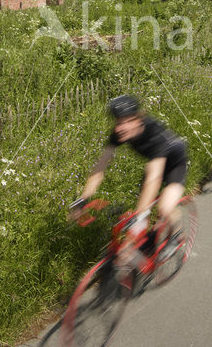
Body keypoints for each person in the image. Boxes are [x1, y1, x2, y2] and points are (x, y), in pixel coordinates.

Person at [70, 95, 187, 256]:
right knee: (140, 211)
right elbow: (100, 167)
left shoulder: (154, 135)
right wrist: (83, 199)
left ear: (139, 119)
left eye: (128, 121)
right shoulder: (118, 134)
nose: (121, 128)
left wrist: (140, 215)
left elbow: (154, 177)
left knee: (164, 208)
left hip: (174, 164)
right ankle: (147, 241)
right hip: (153, 165)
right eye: (118, 122)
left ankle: (176, 235)